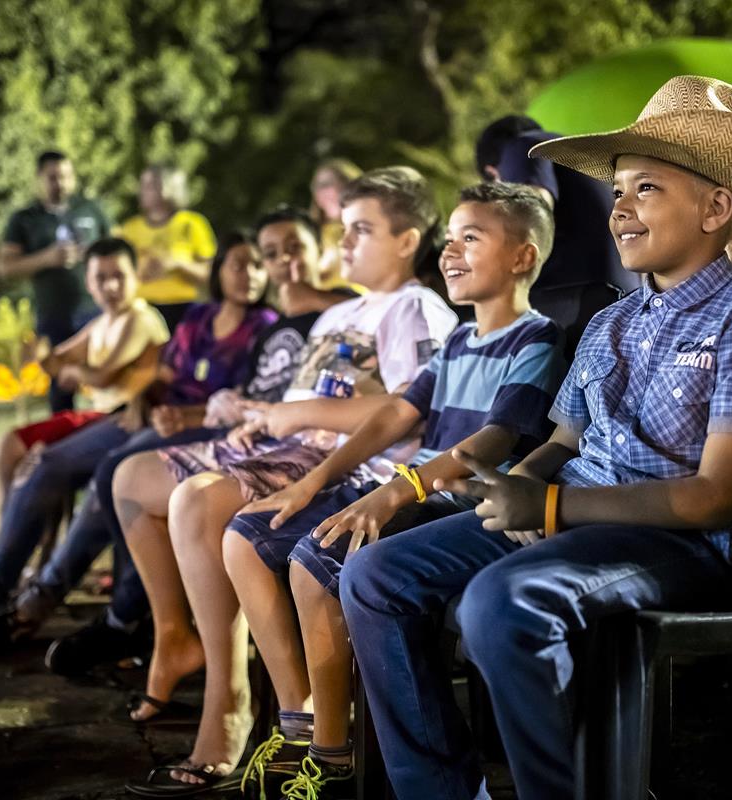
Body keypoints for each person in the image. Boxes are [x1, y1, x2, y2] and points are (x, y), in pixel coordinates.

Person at [341, 75, 732, 799]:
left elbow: (713, 499)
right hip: (573, 512)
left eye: (646, 190)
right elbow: (566, 441)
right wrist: (523, 484)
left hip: (687, 543)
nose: (621, 210)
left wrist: (546, 512)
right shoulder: (611, 323)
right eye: (618, 193)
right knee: (375, 575)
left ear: (716, 207)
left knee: (500, 603)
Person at [115, 166, 458, 795]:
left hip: (340, 458)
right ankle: (178, 636)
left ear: (407, 240)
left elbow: (410, 411)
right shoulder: (335, 318)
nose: (344, 244)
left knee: (199, 501)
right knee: (132, 475)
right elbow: (300, 400)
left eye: (360, 231)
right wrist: (257, 420)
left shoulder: (415, 308)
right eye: (343, 230)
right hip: (285, 444)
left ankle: (232, 701)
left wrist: (291, 415)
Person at [223, 181, 565, 798]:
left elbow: (488, 445)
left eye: (472, 238)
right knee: (261, 532)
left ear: (523, 258)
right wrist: (313, 481)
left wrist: (396, 491)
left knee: (316, 560)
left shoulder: (535, 338)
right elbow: (393, 416)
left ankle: (332, 758)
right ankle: (311, 732)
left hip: (455, 502)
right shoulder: (459, 339)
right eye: (451, 237)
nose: (450, 251)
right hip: (412, 492)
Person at [35, 207, 353, 677]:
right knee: (115, 475)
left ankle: (127, 619)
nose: (283, 262)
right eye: (271, 254)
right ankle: (147, 624)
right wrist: (157, 400)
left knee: (160, 488)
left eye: (294, 249)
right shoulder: (265, 328)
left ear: (317, 252)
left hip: (293, 446)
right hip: (239, 430)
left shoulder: (341, 311)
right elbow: (237, 396)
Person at [0, 233, 275, 652]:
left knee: (111, 476)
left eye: (257, 265)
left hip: (194, 427)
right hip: (147, 414)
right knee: (44, 463)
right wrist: (142, 395)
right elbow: (165, 374)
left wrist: (180, 415)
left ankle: (34, 603)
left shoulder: (265, 330)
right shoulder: (198, 318)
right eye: (238, 264)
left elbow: (246, 400)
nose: (250, 274)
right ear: (219, 270)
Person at [0, 239, 170, 523]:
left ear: (136, 276)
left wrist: (75, 373)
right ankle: (6, 539)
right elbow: (56, 361)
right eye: (101, 278)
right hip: (97, 418)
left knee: (39, 461)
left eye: (119, 276)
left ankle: (25, 555)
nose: (111, 286)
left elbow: (103, 376)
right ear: (89, 283)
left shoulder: (140, 319)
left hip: (122, 420)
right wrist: (40, 352)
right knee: (9, 446)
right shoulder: (101, 323)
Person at [0, 150, 112, 412]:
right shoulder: (25, 219)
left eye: (66, 176)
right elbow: (4, 267)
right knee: (60, 387)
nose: (61, 183)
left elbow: (117, 251)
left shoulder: (90, 209)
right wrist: (46, 259)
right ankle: (64, 445)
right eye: (53, 177)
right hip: (53, 315)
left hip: (95, 311)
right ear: (39, 178)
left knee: (107, 382)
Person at [476, 115, 637, 296]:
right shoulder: (580, 156)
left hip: (580, 302)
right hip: (626, 295)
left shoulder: (524, 146)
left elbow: (531, 211)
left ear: (492, 173)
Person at [116, 164, 217, 323]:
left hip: (185, 310)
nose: (142, 191)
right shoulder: (129, 229)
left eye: (150, 185)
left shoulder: (192, 224)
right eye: (142, 185)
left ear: (170, 187)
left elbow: (212, 275)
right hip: (142, 309)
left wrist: (176, 264)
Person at [309, 158, 362, 291]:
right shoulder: (312, 234)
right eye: (317, 186)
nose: (322, 192)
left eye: (328, 184)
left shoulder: (370, 228)